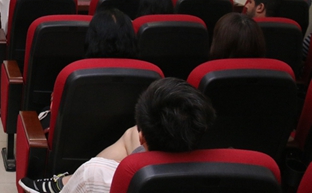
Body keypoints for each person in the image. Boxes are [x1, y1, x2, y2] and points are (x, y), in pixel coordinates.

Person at [20, 77, 216, 193]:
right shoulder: (225, 172)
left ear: (143, 138)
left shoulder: (96, 175)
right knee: (129, 134)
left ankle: (65, 182)